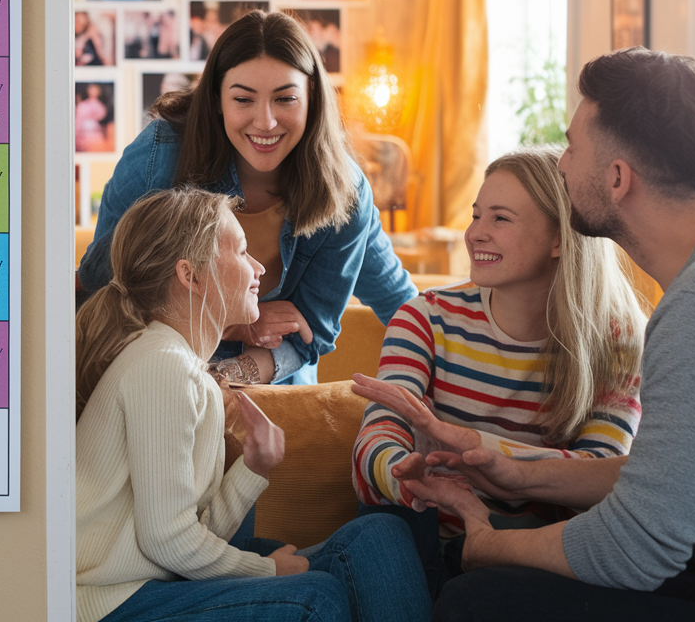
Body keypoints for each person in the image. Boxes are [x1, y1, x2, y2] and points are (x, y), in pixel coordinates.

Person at [390, 48, 695, 619]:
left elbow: (636, 548)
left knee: (476, 599)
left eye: (573, 147)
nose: (561, 165)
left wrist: (485, 548)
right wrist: (517, 470)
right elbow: (664, 480)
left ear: (616, 177)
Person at [76, 186, 431, 622]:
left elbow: (198, 538)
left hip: (155, 583)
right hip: (112, 600)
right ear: (191, 276)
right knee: (315, 599)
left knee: (379, 535)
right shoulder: (161, 367)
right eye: (242, 252)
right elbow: (167, 544)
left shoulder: (184, 369)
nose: (259, 268)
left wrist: (253, 466)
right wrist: (267, 570)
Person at [350, 146, 646, 595]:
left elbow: (600, 473)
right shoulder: (424, 318)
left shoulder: (617, 340)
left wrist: (487, 453)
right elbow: (377, 438)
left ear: (560, 239)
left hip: (530, 553)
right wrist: (406, 473)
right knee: (382, 533)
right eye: (476, 215)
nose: (475, 234)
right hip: (426, 536)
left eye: (500, 219)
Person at [78, 11, 417, 385]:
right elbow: (101, 289)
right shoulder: (160, 157)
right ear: (217, 99)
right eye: (243, 99)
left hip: (272, 381)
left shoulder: (344, 190)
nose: (265, 121)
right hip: (155, 371)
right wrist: (234, 325)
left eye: (285, 98)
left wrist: (223, 380)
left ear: (312, 98)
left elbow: (314, 331)